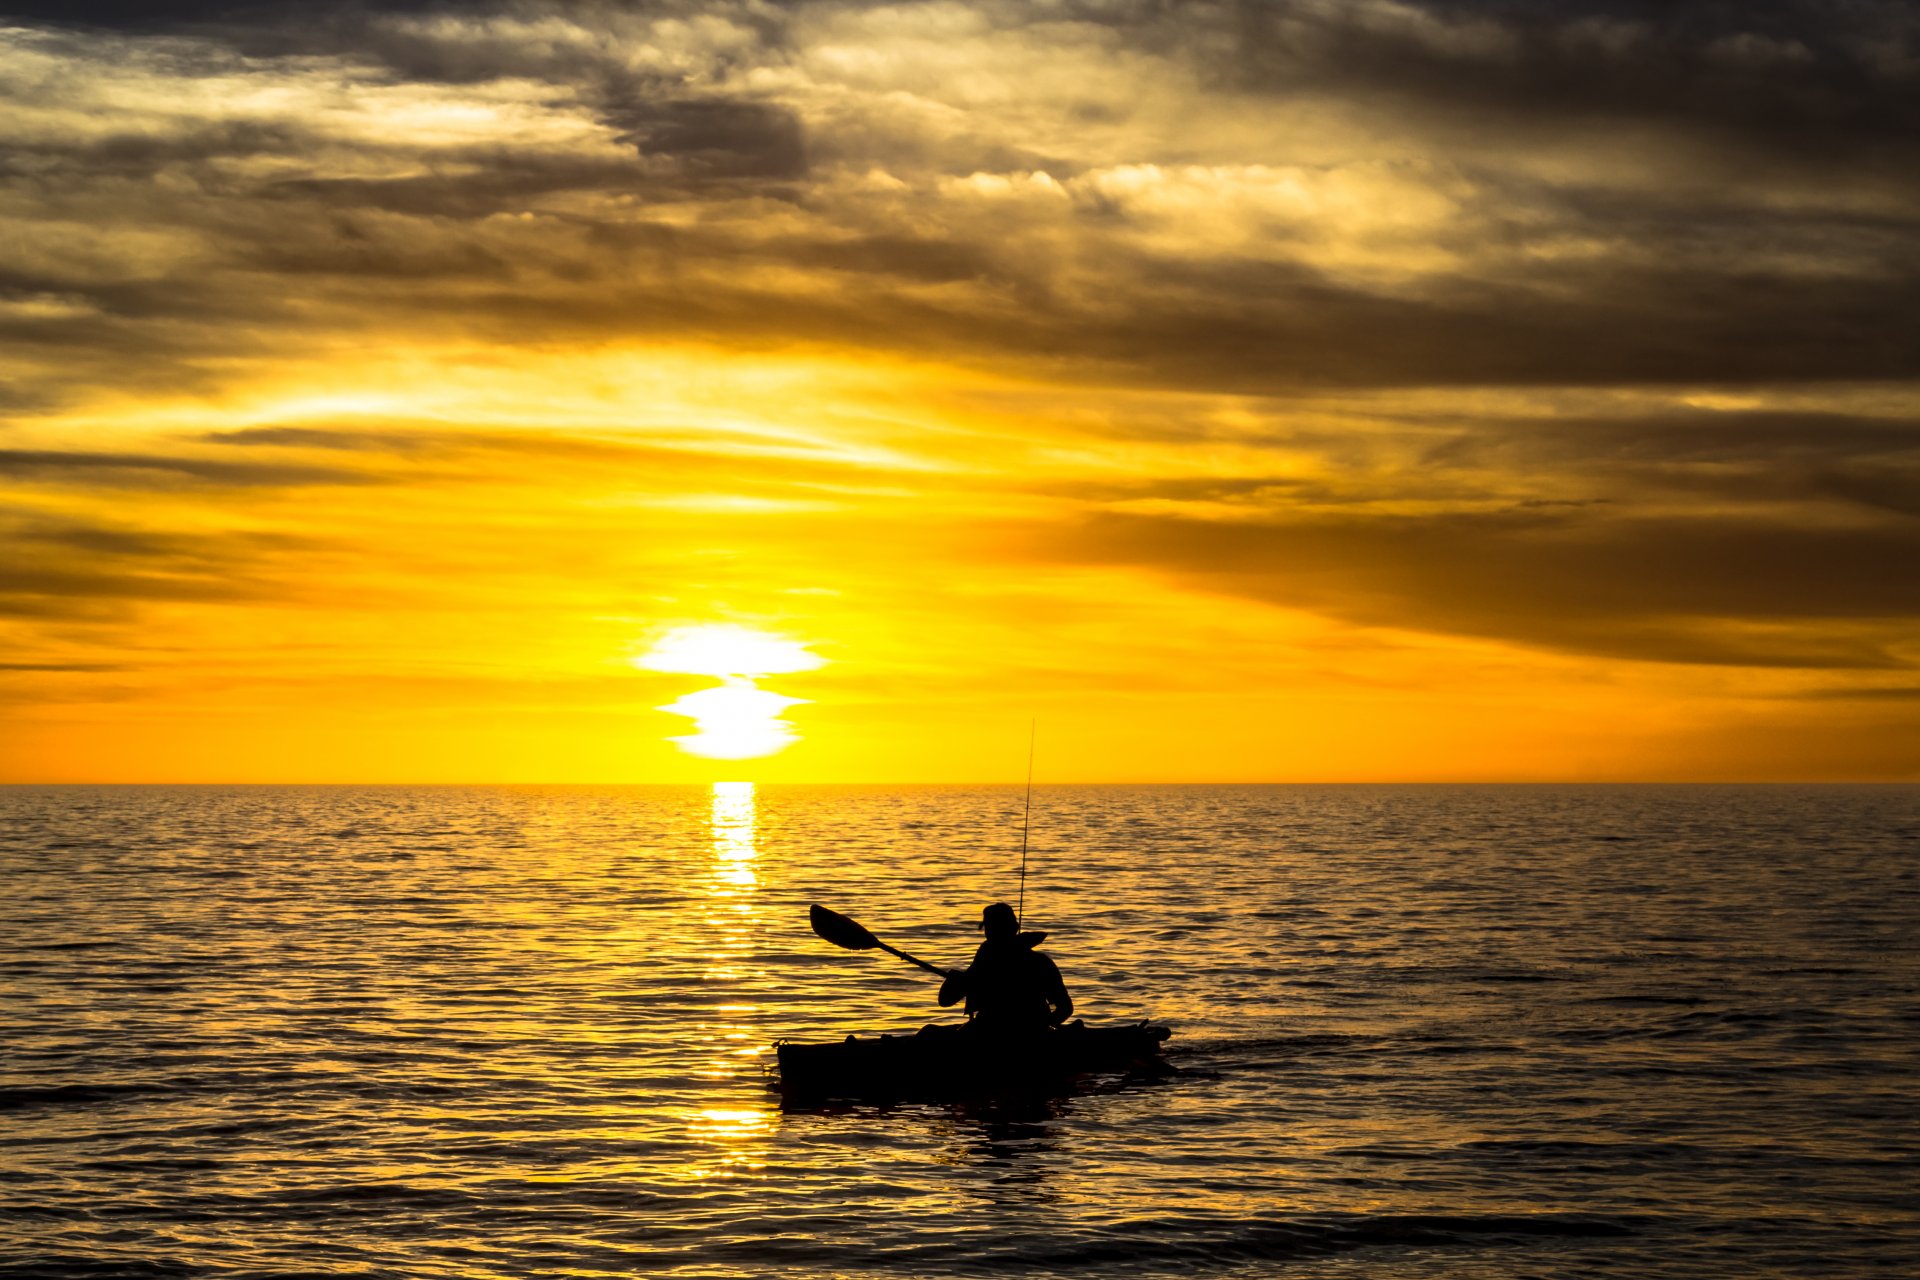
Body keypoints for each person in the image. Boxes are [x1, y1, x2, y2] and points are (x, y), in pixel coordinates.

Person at [940, 902, 1073, 1032]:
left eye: (994, 929)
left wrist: (1040, 1026)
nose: (989, 934)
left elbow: (1065, 1008)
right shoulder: (984, 961)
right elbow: (946, 1000)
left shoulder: (986, 962)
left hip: (992, 1029)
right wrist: (957, 980)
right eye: (989, 929)